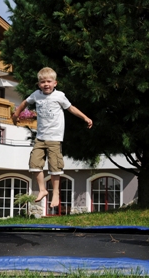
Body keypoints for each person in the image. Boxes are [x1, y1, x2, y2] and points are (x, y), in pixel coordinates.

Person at [12, 67, 93, 208]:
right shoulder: (36, 95)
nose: (46, 84)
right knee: (34, 164)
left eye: (49, 81)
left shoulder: (59, 96)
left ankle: (55, 193)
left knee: (55, 167)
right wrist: (16, 113)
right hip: (40, 137)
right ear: (39, 84)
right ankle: (42, 189)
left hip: (55, 138)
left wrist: (85, 117)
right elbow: (25, 102)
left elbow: (71, 108)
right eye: (43, 82)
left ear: (55, 83)